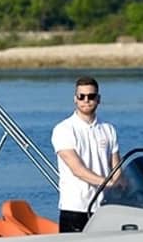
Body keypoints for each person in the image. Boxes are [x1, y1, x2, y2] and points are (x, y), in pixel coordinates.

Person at [51, 75, 120, 232]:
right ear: (75, 99)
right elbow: (77, 170)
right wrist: (107, 183)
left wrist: (123, 186)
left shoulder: (108, 129)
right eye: (81, 96)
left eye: (91, 96)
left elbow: (117, 167)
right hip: (75, 208)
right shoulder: (64, 129)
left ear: (98, 99)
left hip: (104, 208)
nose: (86, 100)